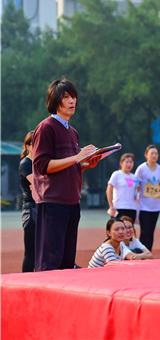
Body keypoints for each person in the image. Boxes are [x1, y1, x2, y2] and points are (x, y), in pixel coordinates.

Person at [31, 77, 101, 271]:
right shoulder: (46, 127)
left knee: (67, 260)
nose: (72, 101)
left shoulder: (73, 132)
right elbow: (42, 166)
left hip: (72, 202)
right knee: (50, 261)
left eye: (74, 97)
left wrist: (86, 164)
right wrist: (77, 157)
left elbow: (69, 166)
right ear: (55, 101)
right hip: (52, 203)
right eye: (66, 97)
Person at [135, 144, 160, 251]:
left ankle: (148, 253)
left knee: (151, 231)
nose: (154, 155)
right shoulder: (141, 169)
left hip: (156, 206)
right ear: (146, 155)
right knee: (145, 231)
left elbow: (158, 185)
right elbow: (135, 183)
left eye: (156, 153)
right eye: (152, 153)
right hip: (143, 206)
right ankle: (140, 252)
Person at [19, 131, 35, 272]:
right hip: (31, 210)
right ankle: (26, 281)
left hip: (42, 209)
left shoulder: (40, 164)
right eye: (35, 144)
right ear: (28, 146)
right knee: (31, 252)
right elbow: (37, 183)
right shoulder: (26, 163)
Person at [106, 153, 139, 222]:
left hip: (132, 208)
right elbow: (109, 190)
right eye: (127, 162)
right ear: (121, 163)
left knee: (129, 231)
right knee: (118, 230)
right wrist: (111, 207)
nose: (129, 164)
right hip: (119, 208)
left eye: (131, 162)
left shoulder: (134, 177)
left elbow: (136, 192)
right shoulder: (116, 174)